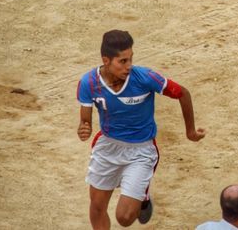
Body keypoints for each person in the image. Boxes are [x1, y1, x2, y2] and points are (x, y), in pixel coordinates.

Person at [77, 30, 205, 229]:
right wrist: (84, 128)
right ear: (106, 60)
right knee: (96, 207)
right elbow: (85, 119)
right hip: (107, 147)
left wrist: (191, 131)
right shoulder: (89, 83)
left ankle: (143, 197)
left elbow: (183, 93)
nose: (129, 66)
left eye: (131, 59)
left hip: (141, 150)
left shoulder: (145, 77)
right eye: (123, 61)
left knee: (125, 218)